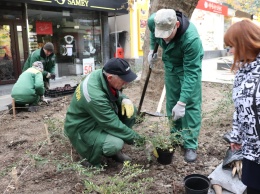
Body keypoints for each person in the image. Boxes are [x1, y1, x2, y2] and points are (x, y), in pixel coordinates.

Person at [147, 9, 204, 162]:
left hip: (187, 68)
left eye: (167, 34)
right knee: (172, 102)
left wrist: (183, 102)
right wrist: (152, 49)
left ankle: (190, 144)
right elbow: (153, 33)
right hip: (171, 66)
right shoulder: (154, 21)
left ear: (176, 25)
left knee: (189, 105)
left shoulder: (191, 40)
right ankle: (176, 137)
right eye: (161, 35)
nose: (164, 39)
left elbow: (192, 73)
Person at [64, 58, 142, 167]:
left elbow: (112, 92)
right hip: (82, 127)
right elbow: (112, 124)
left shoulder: (101, 74)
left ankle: (113, 149)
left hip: (95, 117)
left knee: (130, 110)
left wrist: (124, 98)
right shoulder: (94, 95)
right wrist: (141, 142)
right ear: (110, 78)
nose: (126, 82)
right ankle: (87, 155)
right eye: (123, 80)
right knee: (115, 144)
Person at [224, 19, 260, 194]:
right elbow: (239, 110)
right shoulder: (242, 73)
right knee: (252, 187)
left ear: (246, 44)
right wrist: (236, 136)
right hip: (251, 151)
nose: (230, 51)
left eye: (232, 46)